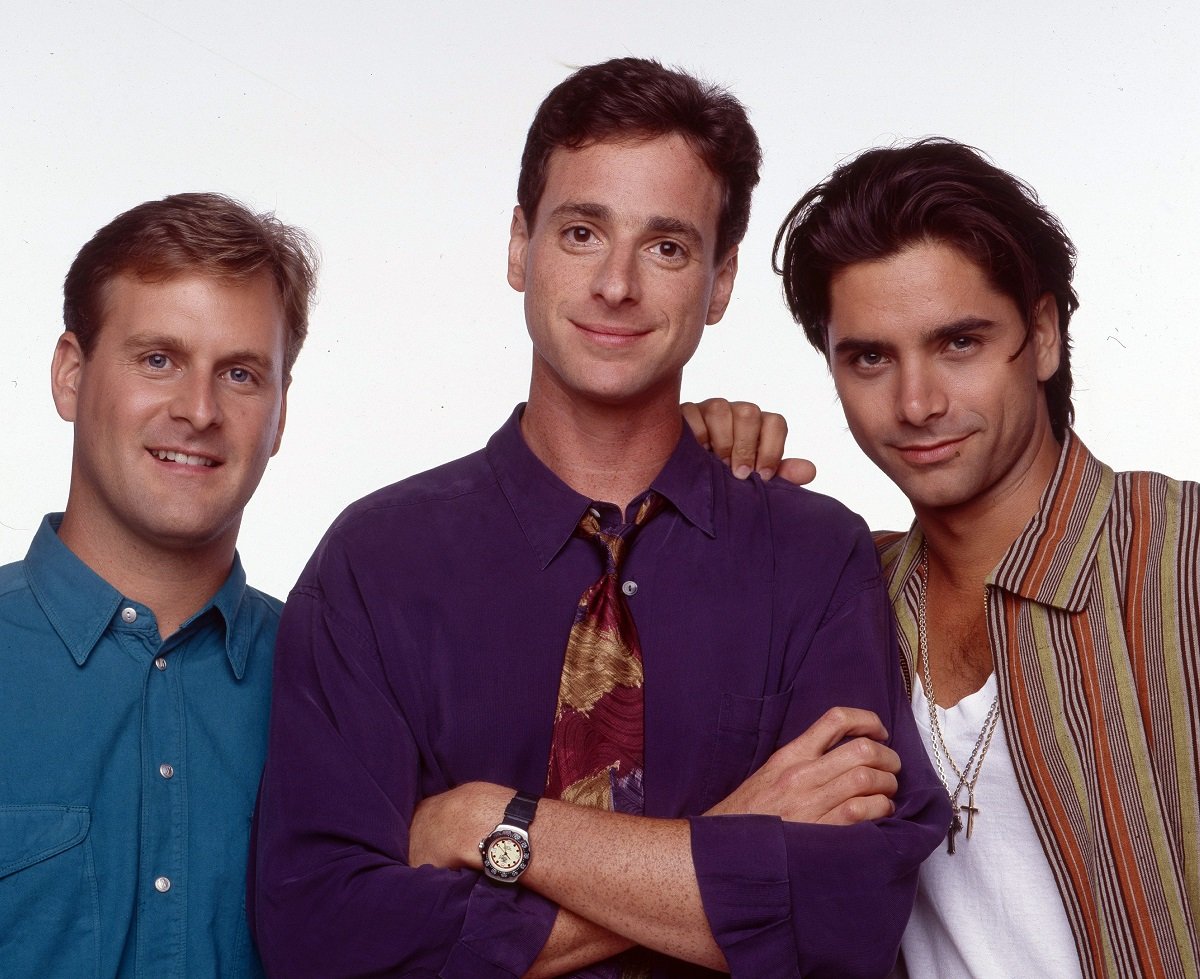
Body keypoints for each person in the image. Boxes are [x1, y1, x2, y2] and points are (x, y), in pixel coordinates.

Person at [251, 58, 948, 978]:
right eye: (582, 232)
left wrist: (494, 825)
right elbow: (324, 936)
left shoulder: (815, 555)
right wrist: (735, 838)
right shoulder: (375, 563)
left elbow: (849, 915)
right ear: (519, 246)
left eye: (666, 246)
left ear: (722, 279)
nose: (617, 284)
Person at [695, 137, 1200, 977]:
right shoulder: (845, 603)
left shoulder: (1179, 559)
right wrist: (678, 459)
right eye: (869, 358)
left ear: (1041, 336)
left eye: (959, 343)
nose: (917, 402)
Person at [0, 193, 317, 978]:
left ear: (278, 417)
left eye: (240, 374)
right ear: (70, 376)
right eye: (158, 359)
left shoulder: (340, 679)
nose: (199, 410)